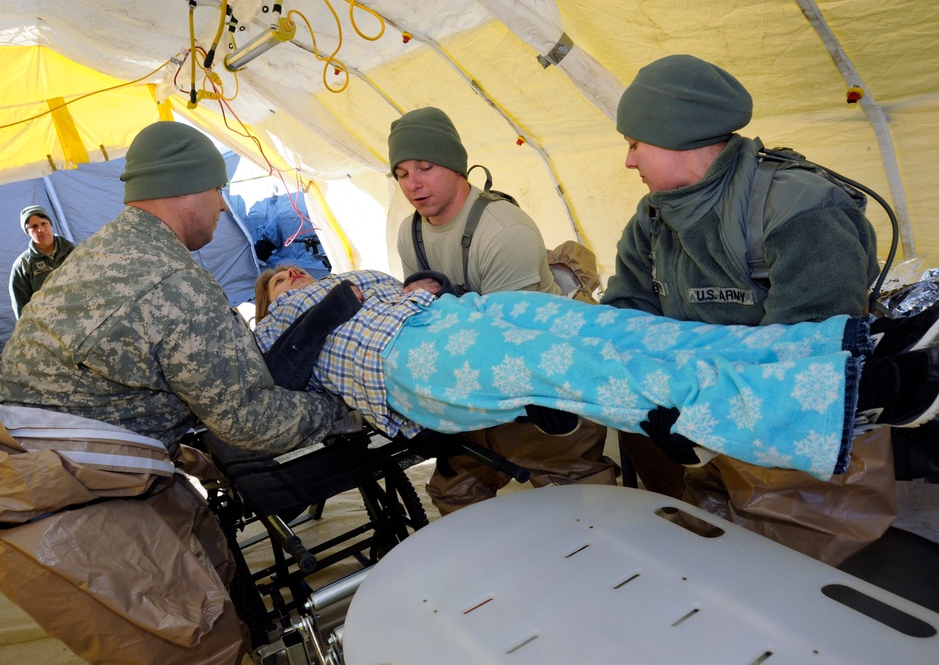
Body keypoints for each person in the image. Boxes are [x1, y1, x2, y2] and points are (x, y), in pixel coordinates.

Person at [0, 121, 349, 665]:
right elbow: (254, 423)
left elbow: (95, 385)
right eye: (217, 192)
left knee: (210, 556)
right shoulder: (172, 282)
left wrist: (172, 447)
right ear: (187, 189)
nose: (221, 206)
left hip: (39, 472)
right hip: (55, 508)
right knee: (194, 643)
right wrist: (338, 407)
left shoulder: (104, 253)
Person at [599, 53, 894, 562]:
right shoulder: (651, 222)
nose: (628, 161)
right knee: (710, 567)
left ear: (676, 137)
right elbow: (626, 317)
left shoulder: (801, 211)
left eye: (633, 144)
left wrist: (700, 414)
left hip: (799, 455)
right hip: (706, 436)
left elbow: (809, 360)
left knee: (789, 588)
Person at [254, 266, 939, 481]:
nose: (287, 278)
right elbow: (283, 370)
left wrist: (408, 291)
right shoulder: (273, 328)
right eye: (273, 282)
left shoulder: (349, 277)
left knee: (631, 333)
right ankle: (853, 404)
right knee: (599, 371)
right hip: (407, 362)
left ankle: (848, 350)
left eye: (291, 273)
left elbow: (420, 289)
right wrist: (338, 302)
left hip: (457, 319)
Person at [389, 106, 616, 513]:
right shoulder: (411, 232)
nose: (413, 184)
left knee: (581, 495)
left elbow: (510, 342)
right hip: (476, 382)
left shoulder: (503, 231)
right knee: (452, 491)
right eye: (402, 173)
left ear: (456, 167)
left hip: (543, 382)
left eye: (425, 167)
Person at [9, 204, 77, 318]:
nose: (41, 229)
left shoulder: (76, 251)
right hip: (50, 325)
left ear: (51, 225)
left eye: (44, 223)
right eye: (34, 226)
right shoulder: (23, 265)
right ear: (27, 232)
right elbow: (21, 308)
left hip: (83, 318)